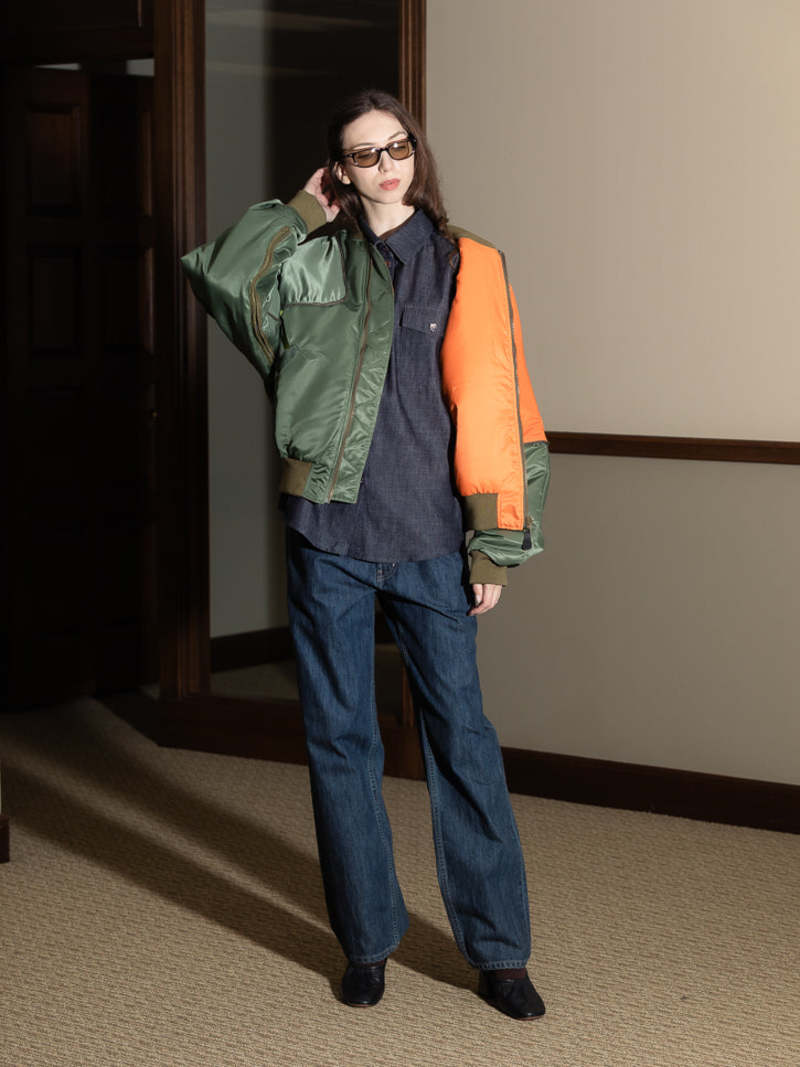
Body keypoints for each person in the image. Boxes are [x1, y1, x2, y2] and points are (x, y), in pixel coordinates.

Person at [181, 89, 550, 1020]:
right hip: (329, 539)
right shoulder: (309, 261)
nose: (388, 165)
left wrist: (493, 546)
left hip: (432, 543)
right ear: (340, 168)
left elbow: (504, 406)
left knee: (462, 741)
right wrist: (300, 211)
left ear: (417, 152)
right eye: (364, 153)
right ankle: (367, 942)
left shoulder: (470, 263)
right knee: (341, 741)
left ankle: (499, 953)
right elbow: (223, 278)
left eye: (398, 146)